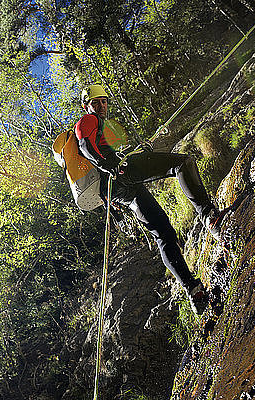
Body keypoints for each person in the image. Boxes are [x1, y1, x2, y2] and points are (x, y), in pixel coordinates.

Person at [75, 84, 227, 315]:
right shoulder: (87, 121)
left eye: (104, 101)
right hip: (119, 175)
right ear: (87, 105)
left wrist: (135, 152)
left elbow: (106, 152)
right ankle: (209, 217)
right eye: (95, 102)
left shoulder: (102, 127)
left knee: (163, 233)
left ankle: (193, 290)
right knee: (182, 163)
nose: (101, 105)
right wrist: (109, 166)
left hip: (117, 188)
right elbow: (87, 148)